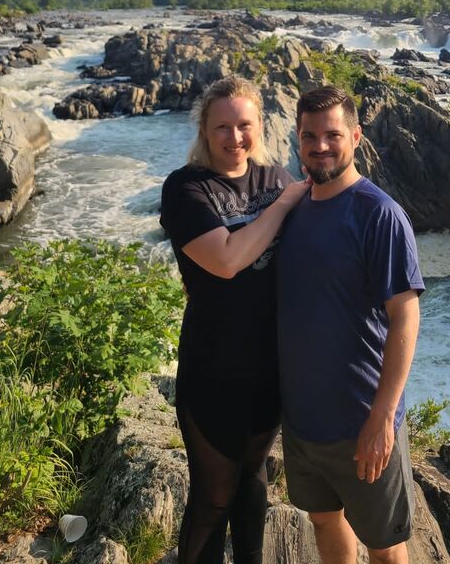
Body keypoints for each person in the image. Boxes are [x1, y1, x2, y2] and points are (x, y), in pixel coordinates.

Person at [160, 75, 309, 564]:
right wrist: (286, 204)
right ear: (204, 129)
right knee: (213, 496)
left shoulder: (276, 179)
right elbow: (226, 259)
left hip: (269, 369)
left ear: (260, 125)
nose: (234, 137)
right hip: (213, 369)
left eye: (244, 125)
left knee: (254, 479)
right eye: (222, 127)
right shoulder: (186, 188)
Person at [277, 84, 424, 564]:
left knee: (384, 546)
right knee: (323, 519)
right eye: (309, 136)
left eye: (332, 135)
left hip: (361, 420)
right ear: (297, 141)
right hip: (304, 423)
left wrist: (382, 416)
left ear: (356, 137)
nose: (320, 146)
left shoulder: (379, 214)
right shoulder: (294, 209)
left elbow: (405, 315)